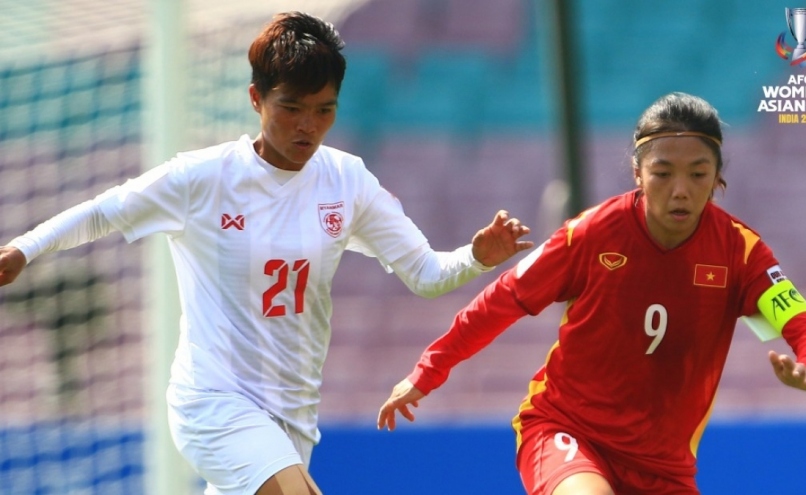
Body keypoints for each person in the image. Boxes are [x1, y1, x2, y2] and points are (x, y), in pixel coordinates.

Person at [0, 12, 534, 495]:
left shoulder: (347, 181)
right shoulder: (203, 177)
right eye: (291, 108)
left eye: (324, 110)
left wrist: (476, 256)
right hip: (214, 402)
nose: (308, 126)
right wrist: (24, 248)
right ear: (257, 99)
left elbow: (425, 273)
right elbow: (103, 212)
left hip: (292, 415)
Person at [377, 92, 806, 495]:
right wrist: (429, 369)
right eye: (663, 173)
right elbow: (501, 301)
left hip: (664, 468)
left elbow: (804, 327)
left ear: (718, 178)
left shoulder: (741, 253)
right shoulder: (590, 234)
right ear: (637, 173)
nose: (680, 191)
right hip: (568, 431)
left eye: (698, 174)